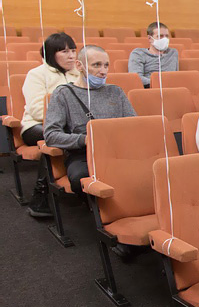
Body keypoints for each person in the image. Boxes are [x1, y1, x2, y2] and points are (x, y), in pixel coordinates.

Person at [43, 45, 136, 195]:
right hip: (84, 154)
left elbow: (134, 126)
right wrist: (85, 140)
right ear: (79, 66)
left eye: (106, 65)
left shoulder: (115, 91)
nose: (103, 71)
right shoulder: (63, 94)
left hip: (118, 151)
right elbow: (51, 135)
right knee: (80, 177)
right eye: (96, 65)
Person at [20, 32, 79, 217]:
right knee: (54, 138)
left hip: (70, 127)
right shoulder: (36, 75)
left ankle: (81, 186)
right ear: (51, 54)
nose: (71, 55)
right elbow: (37, 109)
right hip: (35, 125)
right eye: (64, 51)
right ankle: (41, 195)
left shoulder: (79, 73)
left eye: (73, 50)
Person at [128, 21, 178, 87]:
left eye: (167, 36)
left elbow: (177, 76)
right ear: (150, 38)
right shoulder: (138, 53)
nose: (164, 39)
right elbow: (136, 78)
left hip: (171, 90)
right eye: (160, 36)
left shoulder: (173, 53)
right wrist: (159, 84)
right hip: (149, 90)